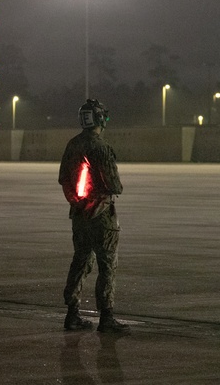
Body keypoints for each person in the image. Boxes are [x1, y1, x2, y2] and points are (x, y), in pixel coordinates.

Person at [59, 99, 128, 333]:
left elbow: (64, 181)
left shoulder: (72, 145)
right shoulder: (101, 147)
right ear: (99, 119)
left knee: (80, 261)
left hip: (79, 216)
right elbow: (115, 185)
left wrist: (78, 202)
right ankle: (106, 317)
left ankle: (72, 313)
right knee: (107, 265)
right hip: (102, 217)